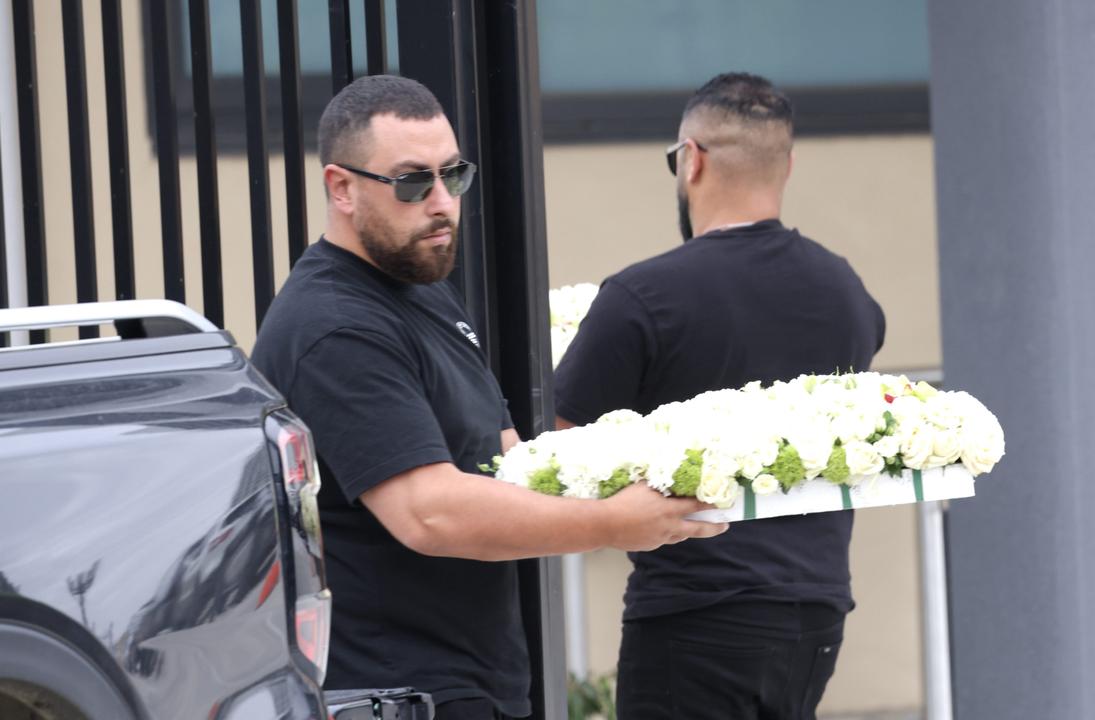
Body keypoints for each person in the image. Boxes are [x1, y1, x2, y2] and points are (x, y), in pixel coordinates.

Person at [251, 75, 725, 720]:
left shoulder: (417, 283)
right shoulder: (335, 326)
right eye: (413, 181)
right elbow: (429, 513)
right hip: (396, 690)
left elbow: (506, 458)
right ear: (342, 187)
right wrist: (614, 522)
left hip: (471, 678)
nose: (442, 203)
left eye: (454, 174)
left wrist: (642, 470)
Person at [554, 73, 887, 720]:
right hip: (816, 610)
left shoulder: (641, 297)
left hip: (695, 610)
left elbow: (564, 452)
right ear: (787, 164)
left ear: (691, 159)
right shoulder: (845, 290)